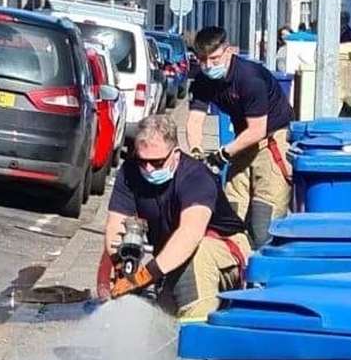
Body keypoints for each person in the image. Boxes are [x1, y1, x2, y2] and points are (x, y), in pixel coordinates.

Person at [103, 112, 250, 321]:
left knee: (196, 262)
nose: (148, 168)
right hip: (173, 255)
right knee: (162, 318)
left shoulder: (196, 177)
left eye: (156, 163)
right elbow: (116, 224)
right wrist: (121, 266)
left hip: (224, 247)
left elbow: (189, 235)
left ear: (176, 154)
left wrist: (145, 275)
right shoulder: (130, 172)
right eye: (142, 161)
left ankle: (197, 338)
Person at [185, 26, 293, 248]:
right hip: (242, 141)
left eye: (214, 59)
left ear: (228, 51)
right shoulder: (203, 80)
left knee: (264, 223)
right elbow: (195, 120)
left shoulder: (249, 78)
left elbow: (257, 130)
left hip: (271, 139)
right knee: (232, 212)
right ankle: (235, 265)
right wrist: (196, 152)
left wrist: (222, 154)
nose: (208, 66)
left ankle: (264, 274)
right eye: (203, 60)